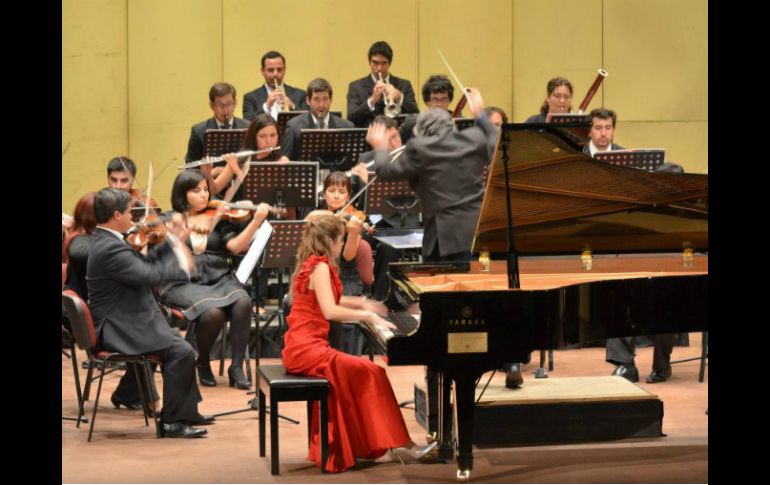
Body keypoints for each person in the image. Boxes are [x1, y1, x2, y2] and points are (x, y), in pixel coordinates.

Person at [282, 211, 437, 472]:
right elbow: (330, 311)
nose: (342, 245)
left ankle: (381, 441)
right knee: (372, 371)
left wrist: (363, 302)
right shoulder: (320, 267)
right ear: (331, 240)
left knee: (364, 372)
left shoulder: (312, 262)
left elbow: (328, 300)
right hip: (309, 350)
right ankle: (403, 444)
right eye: (341, 239)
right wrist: (365, 315)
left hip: (302, 346)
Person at [87, 188, 212, 438]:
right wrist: (179, 255)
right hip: (120, 326)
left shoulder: (108, 241)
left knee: (182, 347)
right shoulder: (110, 248)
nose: (134, 219)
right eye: (129, 213)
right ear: (116, 215)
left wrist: (170, 239)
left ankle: (186, 411)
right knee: (182, 353)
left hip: (128, 318)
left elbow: (141, 267)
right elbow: (150, 275)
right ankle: (172, 422)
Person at [160, 170, 270, 389]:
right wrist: (184, 229)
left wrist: (256, 221)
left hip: (218, 275)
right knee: (213, 313)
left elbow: (235, 247)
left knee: (243, 302)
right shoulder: (169, 218)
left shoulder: (218, 218)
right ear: (182, 195)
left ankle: (236, 366)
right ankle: (202, 361)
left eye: (205, 189)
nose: (204, 194)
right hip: (183, 281)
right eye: (196, 190)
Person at [367, 88, 497, 262]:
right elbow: (496, 139)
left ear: (423, 131)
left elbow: (385, 173)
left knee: (439, 286)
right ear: (451, 124)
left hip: (442, 238)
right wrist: (479, 114)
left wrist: (380, 147)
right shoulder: (474, 138)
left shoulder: (420, 148)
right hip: (476, 233)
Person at [346, 41, 419, 128]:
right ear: (369, 62)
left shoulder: (404, 85)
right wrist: (372, 100)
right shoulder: (356, 87)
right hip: (369, 138)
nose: (379, 68)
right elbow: (351, 119)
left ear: (390, 63)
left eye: (384, 63)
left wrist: (400, 97)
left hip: (397, 137)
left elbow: (417, 116)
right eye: (375, 63)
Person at [281, 78, 355, 161]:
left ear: (331, 100)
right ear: (308, 100)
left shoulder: (347, 127)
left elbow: (351, 161)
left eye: (325, 99)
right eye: (316, 99)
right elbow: (285, 159)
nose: (321, 105)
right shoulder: (293, 127)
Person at [185, 82, 250, 165]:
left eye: (229, 104)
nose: (225, 109)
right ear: (211, 106)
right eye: (220, 105)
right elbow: (191, 166)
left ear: (235, 103)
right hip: (210, 177)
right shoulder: (198, 131)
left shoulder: (248, 127)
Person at [242, 50, 308, 122]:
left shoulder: (300, 94)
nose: (275, 74)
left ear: (285, 70)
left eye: (279, 69)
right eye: (270, 70)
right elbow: (248, 124)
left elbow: (308, 121)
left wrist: (292, 107)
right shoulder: (250, 98)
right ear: (262, 71)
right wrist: (266, 106)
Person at [399, 74, 453, 144]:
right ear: (426, 101)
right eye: (435, 99)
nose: (439, 104)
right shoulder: (411, 123)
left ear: (449, 100)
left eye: (444, 99)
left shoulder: (458, 122)